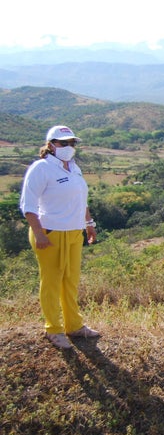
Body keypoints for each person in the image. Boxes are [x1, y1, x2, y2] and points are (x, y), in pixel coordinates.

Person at [19, 125, 99, 349]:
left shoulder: (74, 167)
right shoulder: (41, 169)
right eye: (63, 143)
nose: (68, 147)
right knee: (52, 282)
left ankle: (74, 325)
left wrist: (89, 224)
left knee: (70, 281)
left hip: (74, 232)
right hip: (50, 233)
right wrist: (39, 234)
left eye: (72, 143)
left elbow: (81, 200)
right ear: (51, 145)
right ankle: (53, 328)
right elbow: (28, 206)